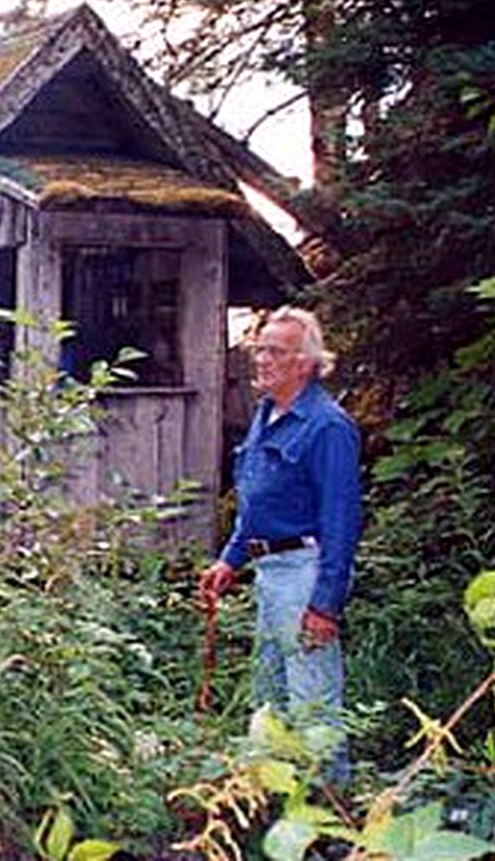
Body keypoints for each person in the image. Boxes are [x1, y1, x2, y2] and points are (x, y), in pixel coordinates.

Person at [199, 306, 362, 779]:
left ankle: (331, 821)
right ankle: (266, 806)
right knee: (268, 700)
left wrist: (325, 604)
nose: (262, 360)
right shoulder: (268, 412)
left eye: (276, 352)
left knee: (313, 704)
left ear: (306, 364)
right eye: (260, 349)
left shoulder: (327, 427)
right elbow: (257, 502)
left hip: (305, 574)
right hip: (269, 575)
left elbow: (341, 520)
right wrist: (230, 560)